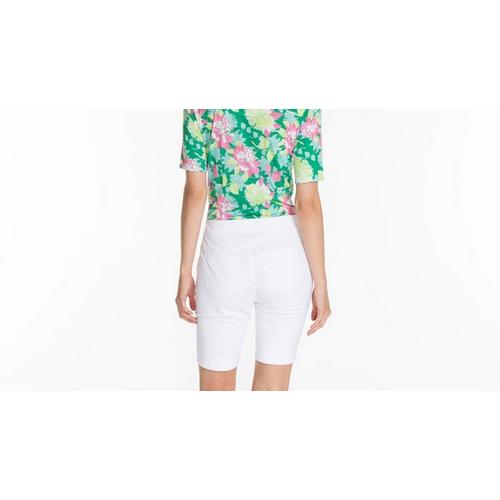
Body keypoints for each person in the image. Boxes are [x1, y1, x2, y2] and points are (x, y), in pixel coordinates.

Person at [176, 109, 331, 391]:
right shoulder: (303, 107)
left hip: (223, 255)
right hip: (284, 255)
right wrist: (320, 282)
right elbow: (308, 202)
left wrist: (185, 270)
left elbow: (195, 192)